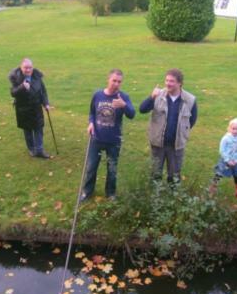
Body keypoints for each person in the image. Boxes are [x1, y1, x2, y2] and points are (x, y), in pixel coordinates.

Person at [80, 69, 135, 201]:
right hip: (96, 138)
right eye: (114, 80)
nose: (116, 84)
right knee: (91, 167)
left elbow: (132, 114)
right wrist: (91, 123)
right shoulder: (98, 95)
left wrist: (124, 105)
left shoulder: (123, 97)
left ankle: (110, 193)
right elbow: (92, 112)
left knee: (112, 169)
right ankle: (87, 192)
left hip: (114, 140)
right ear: (108, 79)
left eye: (119, 82)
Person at [139, 69, 197, 183]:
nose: (167, 83)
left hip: (176, 146)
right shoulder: (158, 95)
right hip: (158, 144)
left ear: (179, 83)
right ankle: (156, 198)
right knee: (155, 174)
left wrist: (182, 133)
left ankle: (172, 197)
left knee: (174, 177)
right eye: (166, 80)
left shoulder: (190, 100)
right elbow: (142, 109)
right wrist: (152, 97)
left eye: (171, 81)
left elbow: (192, 120)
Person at [8, 58, 51, 158]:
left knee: (38, 128)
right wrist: (22, 87)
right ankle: (31, 149)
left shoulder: (37, 77)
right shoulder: (16, 78)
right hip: (23, 110)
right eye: (25, 68)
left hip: (36, 108)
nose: (28, 70)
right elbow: (13, 93)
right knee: (28, 130)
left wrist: (46, 104)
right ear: (21, 67)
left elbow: (43, 91)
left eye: (30, 67)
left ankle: (39, 150)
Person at [210, 118, 237, 201]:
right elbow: (222, 150)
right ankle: (212, 190)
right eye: (233, 129)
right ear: (230, 128)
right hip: (225, 161)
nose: (235, 131)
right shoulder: (226, 138)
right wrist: (227, 160)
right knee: (219, 174)